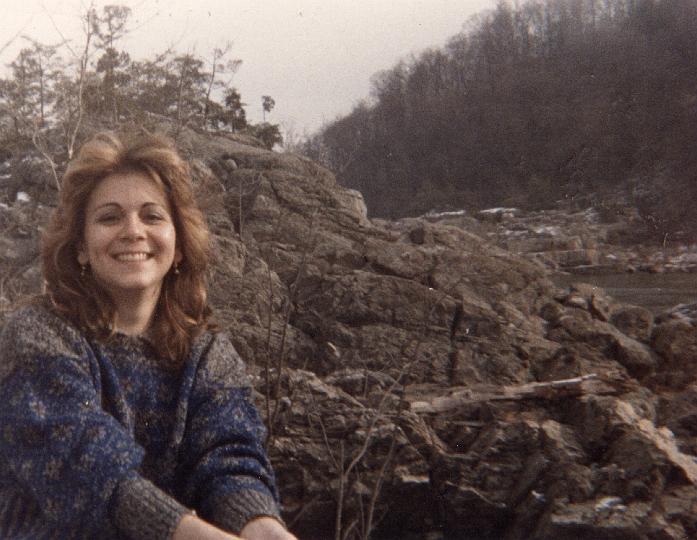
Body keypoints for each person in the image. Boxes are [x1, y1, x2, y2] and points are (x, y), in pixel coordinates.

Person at [0, 132, 296, 540]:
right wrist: (190, 533)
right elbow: (91, 472)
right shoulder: (36, 335)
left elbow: (228, 458)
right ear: (81, 247)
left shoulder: (208, 351)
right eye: (109, 217)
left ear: (178, 246)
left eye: (152, 216)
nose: (133, 231)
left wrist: (262, 525)